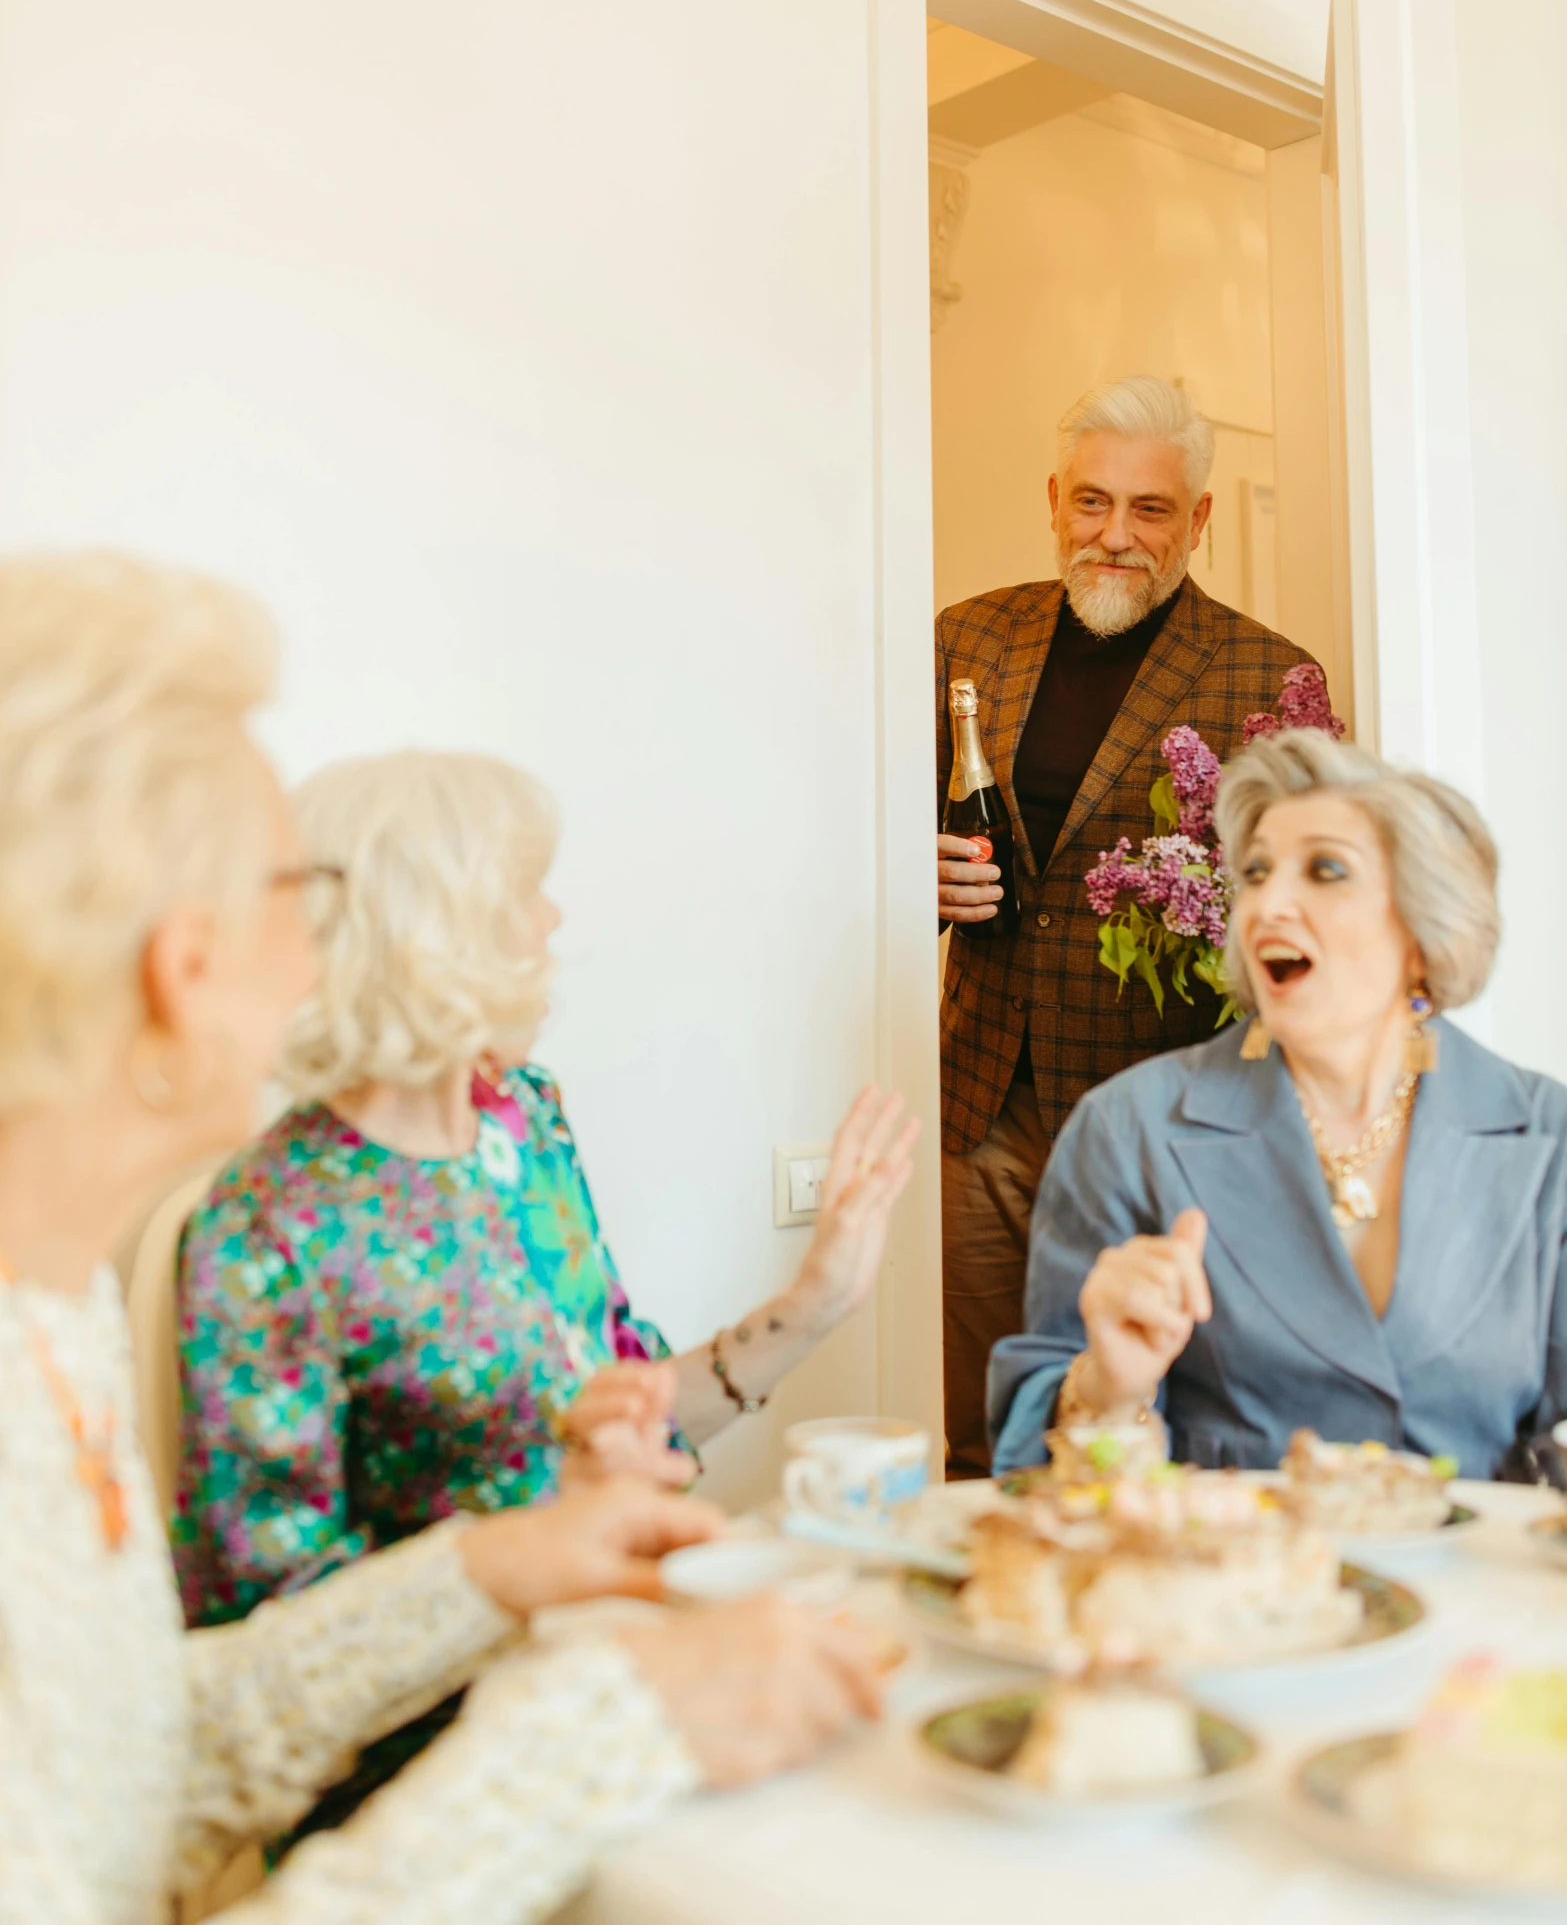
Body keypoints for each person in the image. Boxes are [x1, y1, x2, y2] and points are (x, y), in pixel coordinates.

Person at [0, 552, 883, 1925]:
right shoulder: (257, 1226)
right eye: (289, 888)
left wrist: (493, 1564)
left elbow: (139, 1761)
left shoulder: (48, 1325)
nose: (317, 947)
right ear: (183, 968)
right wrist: (603, 1733)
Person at [175, 748, 914, 1623]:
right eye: (526, 893)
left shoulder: (523, 1124)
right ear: (431, 936)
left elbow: (639, 1413)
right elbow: (264, 1625)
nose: (552, 920)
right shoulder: (266, 1227)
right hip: (441, 1720)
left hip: (601, 1629)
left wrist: (816, 1300)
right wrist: (559, 1512)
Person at [936, 372, 1331, 1474]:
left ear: (1198, 520)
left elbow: (1307, 909)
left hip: (1165, 1117)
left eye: (1150, 509)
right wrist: (916, 880)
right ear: (1055, 498)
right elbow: (869, 840)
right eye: (1093, 502)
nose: (1115, 534)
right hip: (983, 1105)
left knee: (1154, 1418)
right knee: (985, 1433)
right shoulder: (966, 640)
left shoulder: (1272, 673)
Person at [989, 729, 1567, 1481]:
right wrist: (1108, 1387)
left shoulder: (1545, 1133)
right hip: (1231, 1587)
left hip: (1477, 1590)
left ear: (1424, 931)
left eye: (1325, 870)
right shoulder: (1126, 1129)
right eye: (1256, 873)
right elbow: (1035, 1475)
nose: (1267, 904)